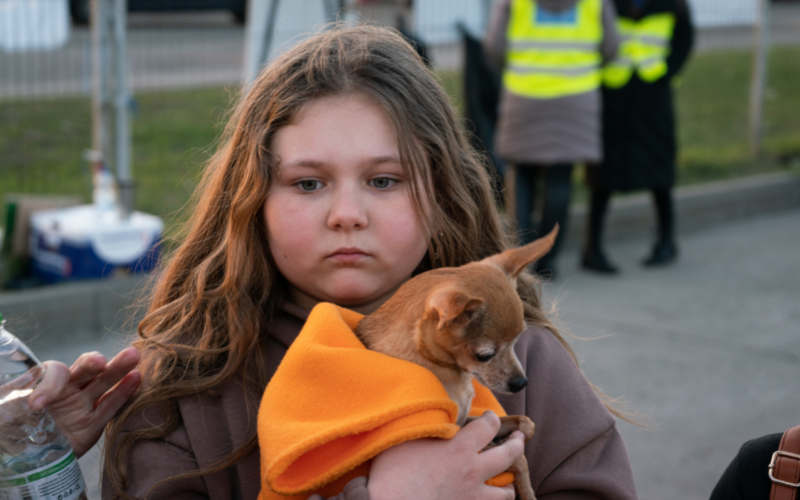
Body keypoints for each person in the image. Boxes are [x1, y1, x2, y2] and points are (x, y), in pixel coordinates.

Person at [39, 25, 638, 500]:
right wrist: (32, 465)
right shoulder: (186, 382)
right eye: (307, 184)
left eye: (383, 180)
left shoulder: (520, 362)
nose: (346, 214)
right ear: (252, 202)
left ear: (441, 196)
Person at [483, 0, 620, 279]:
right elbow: (611, 47)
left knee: (520, 174)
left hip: (524, 93)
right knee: (560, 179)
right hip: (575, 95)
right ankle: (548, 261)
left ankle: (519, 258)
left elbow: (494, 48)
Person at [581, 0, 694, 274]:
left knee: (660, 170)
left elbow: (685, 37)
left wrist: (668, 71)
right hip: (612, 93)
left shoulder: (673, 4)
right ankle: (592, 248)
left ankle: (666, 241)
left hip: (652, 94)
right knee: (603, 172)